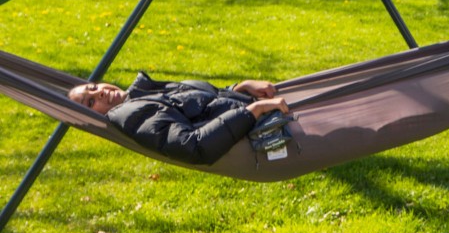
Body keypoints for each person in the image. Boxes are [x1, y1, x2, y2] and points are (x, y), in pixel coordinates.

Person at [68, 74, 290, 165]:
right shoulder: (131, 116)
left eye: (93, 88)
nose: (100, 93)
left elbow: (201, 107)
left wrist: (238, 88)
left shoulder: (138, 94)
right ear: (90, 115)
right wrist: (254, 110)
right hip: (264, 130)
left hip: (257, 113)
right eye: (90, 102)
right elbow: (193, 146)